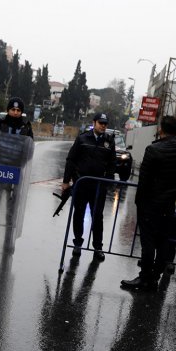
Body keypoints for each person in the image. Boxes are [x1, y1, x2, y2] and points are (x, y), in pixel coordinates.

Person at [121, 115, 176, 291]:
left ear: (161, 130)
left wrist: (139, 203)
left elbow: (144, 180)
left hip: (150, 203)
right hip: (169, 203)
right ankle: (155, 278)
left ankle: (144, 279)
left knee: (148, 243)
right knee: (164, 241)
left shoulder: (154, 149)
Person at [0, 96, 34, 250]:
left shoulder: (26, 128)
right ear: (8, 110)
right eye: (12, 109)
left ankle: (8, 242)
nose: (15, 112)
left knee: (11, 211)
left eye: (18, 110)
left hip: (15, 173)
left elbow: (29, 151)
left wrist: (18, 165)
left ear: (21, 112)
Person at [61, 112, 116, 262]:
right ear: (94, 123)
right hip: (81, 184)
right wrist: (66, 181)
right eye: (100, 123)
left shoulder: (109, 142)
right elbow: (71, 160)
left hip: (98, 187)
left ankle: (98, 247)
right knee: (78, 214)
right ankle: (78, 243)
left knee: (97, 217)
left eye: (105, 124)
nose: (103, 126)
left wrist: (108, 181)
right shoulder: (82, 138)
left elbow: (112, 165)